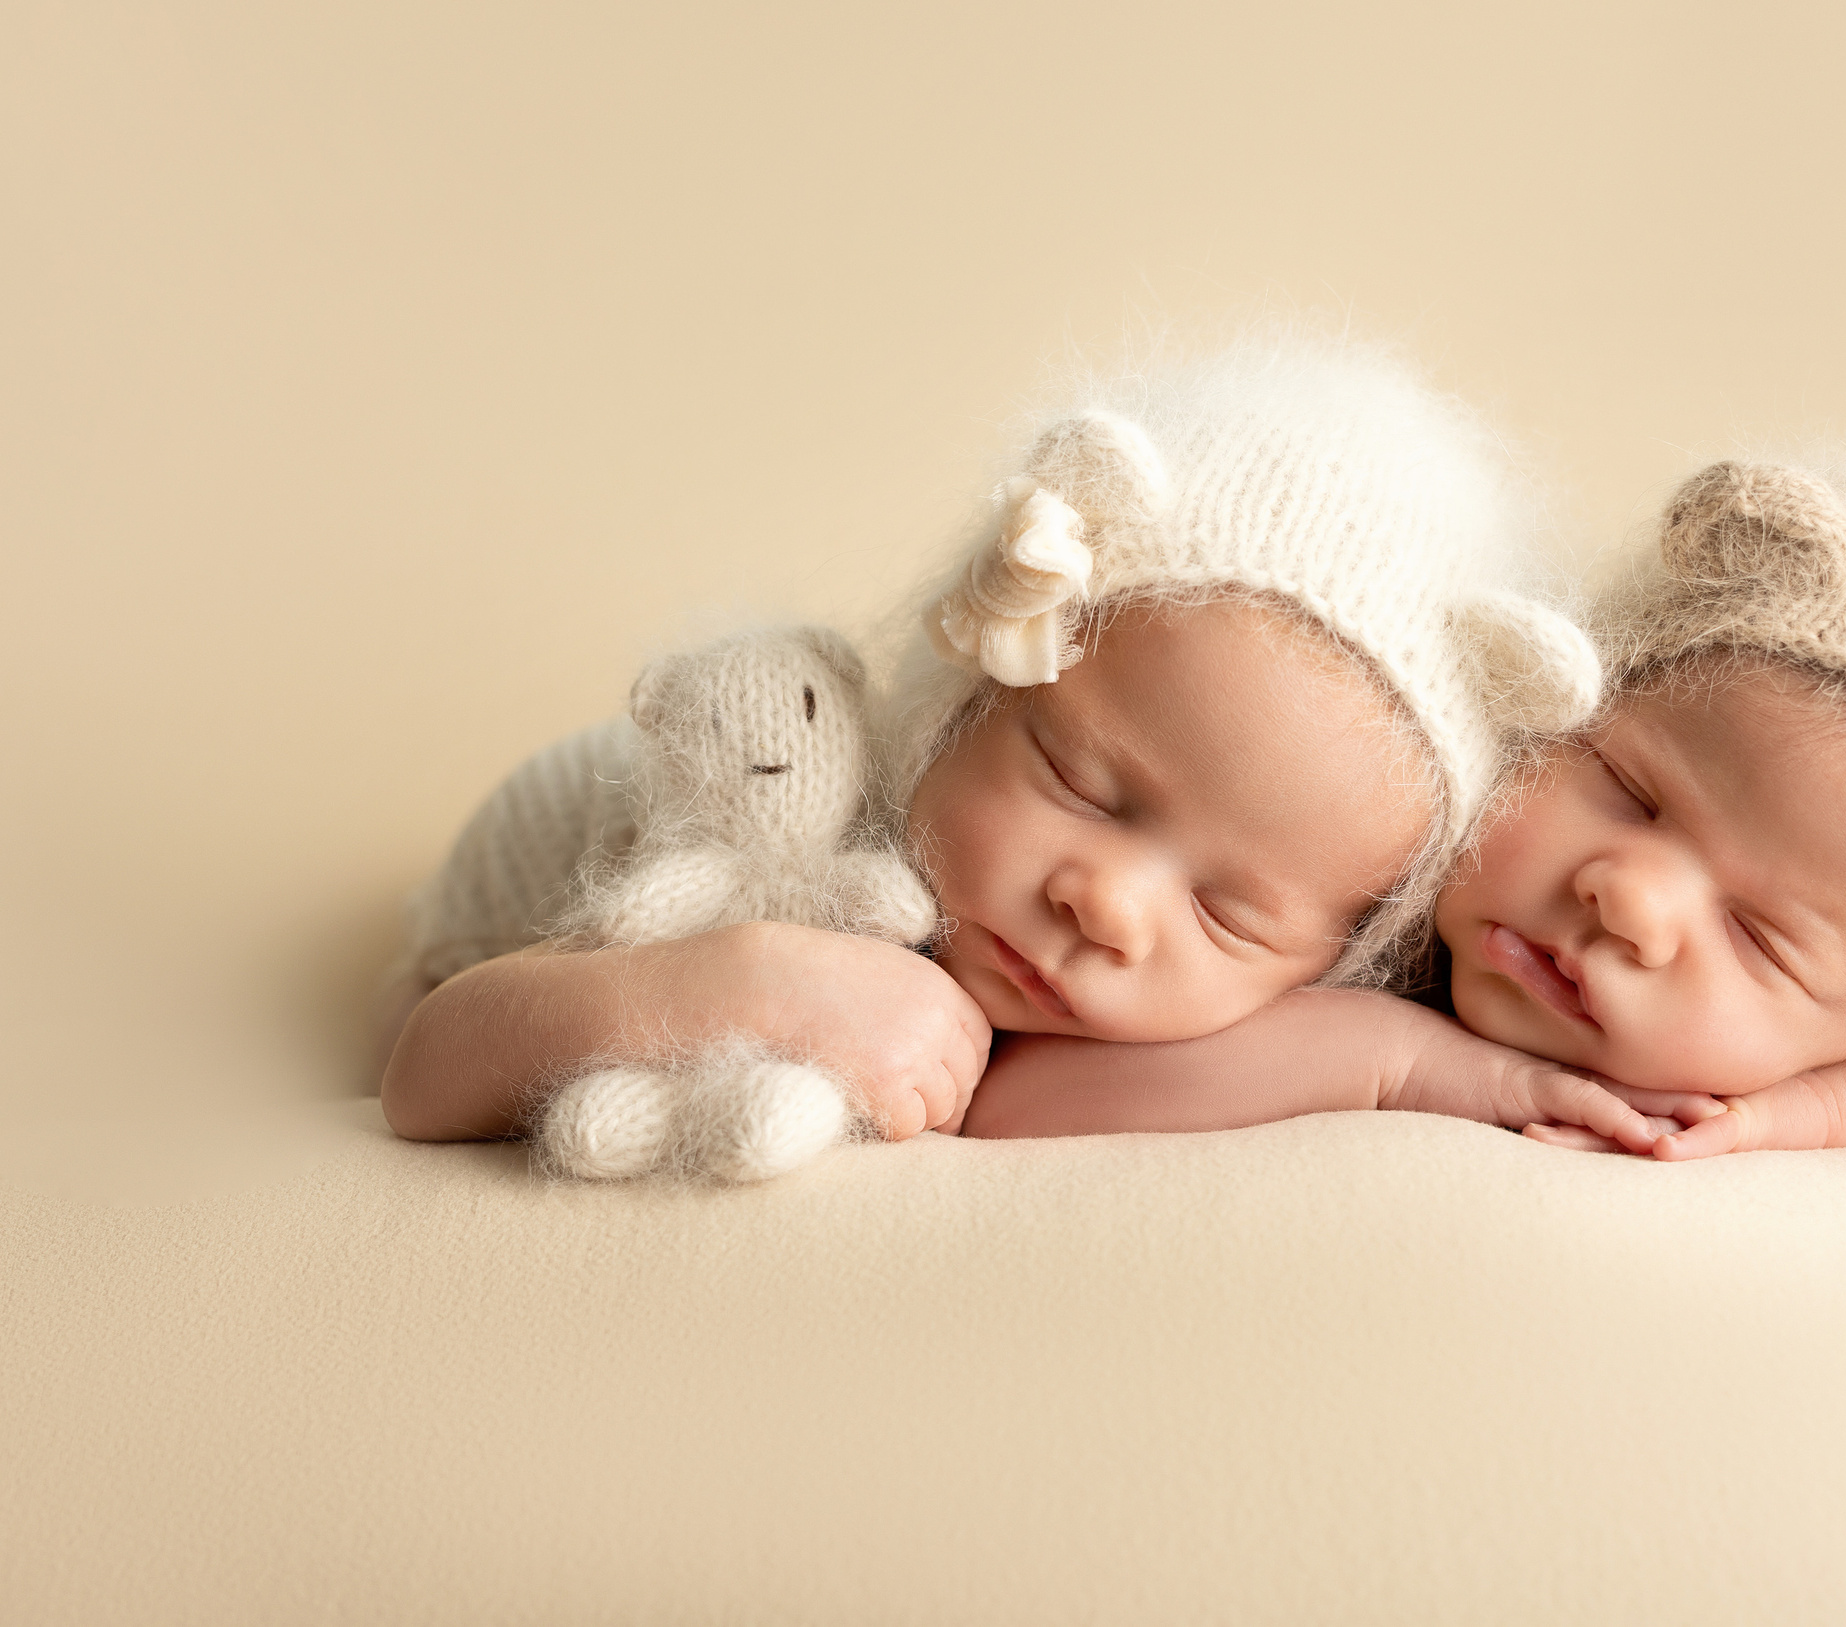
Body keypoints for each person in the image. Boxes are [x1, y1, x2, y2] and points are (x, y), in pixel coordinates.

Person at [379, 337, 1698, 1157]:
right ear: (972, 688)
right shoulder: (788, 820)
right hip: (525, 891)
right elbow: (430, 1066)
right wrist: (752, 977)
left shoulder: (1186, 983)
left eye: (1234, 913)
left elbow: (1011, 1100)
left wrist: (1434, 1063)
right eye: (1080, 782)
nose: (1110, 904)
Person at [961, 450, 1846, 1155]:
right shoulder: (1339, 856)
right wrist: (1403, 1063)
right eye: (1629, 790)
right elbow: (1009, 1097)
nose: (1632, 899)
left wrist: (1826, 1106)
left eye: (1764, 940)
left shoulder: (1830, 1062)